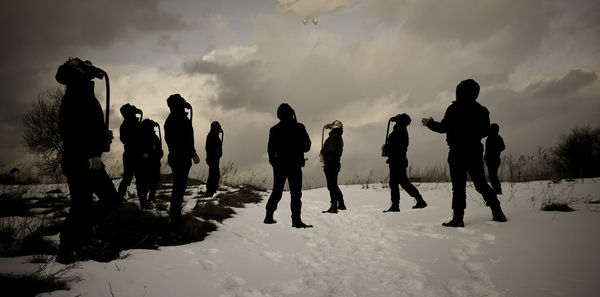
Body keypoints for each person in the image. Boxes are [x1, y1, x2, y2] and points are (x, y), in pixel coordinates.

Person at [55, 57, 119, 263]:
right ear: (76, 70)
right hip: (81, 160)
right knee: (93, 203)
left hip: (83, 158)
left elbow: (86, 127)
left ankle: (78, 237)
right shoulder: (76, 92)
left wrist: (101, 138)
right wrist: (91, 153)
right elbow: (70, 129)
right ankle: (67, 246)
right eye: (82, 64)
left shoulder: (83, 92)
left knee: (86, 205)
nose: (88, 66)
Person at [422, 79, 507, 227]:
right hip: (474, 151)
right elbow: (485, 131)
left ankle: (457, 219)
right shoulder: (482, 110)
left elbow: (443, 128)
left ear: (459, 92)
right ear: (476, 93)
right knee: (481, 184)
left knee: (458, 187)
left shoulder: (453, 109)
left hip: (457, 152)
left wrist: (429, 123)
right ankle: (498, 213)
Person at [264, 103, 312, 228]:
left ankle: (269, 216)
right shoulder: (299, 127)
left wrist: (274, 163)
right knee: (295, 194)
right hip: (294, 165)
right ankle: (296, 221)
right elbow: (307, 146)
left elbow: (270, 150)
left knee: (277, 191)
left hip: (280, 166)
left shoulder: (274, 129)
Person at [164, 94, 200, 223]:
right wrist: (193, 153)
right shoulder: (176, 119)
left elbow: (187, 139)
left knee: (180, 186)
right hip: (180, 156)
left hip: (179, 156)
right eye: (181, 102)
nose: (184, 103)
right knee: (179, 186)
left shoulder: (178, 118)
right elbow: (185, 140)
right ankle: (175, 216)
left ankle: (175, 213)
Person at [384, 114, 427, 212]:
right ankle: (417, 201)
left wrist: (388, 148)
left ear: (401, 121)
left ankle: (399, 205)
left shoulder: (399, 131)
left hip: (397, 161)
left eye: (399, 118)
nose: (396, 118)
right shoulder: (400, 130)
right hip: (398, 160)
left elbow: (396, 147)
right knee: (399, 183)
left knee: (400, 183)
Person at [116, 104, 143, 201]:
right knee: (132, 179)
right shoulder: (129, 123)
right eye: (132, 110)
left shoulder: (130, 123)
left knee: (135, 179)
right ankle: (118, 200)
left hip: (131, 154)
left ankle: (118, 200)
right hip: (132, 154)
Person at [320, 120, 346, 213]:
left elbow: (330, 149)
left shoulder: (334, 137)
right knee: (334, 185)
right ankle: (341, 204)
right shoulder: (337, 136)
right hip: (334, 163)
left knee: (331, 186)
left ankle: (334, 206)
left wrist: (322, 151)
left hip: (331, 163)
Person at [137, 119, 164, 208]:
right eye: (151, 126)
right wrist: (148, 151)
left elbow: (158, 148)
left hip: (155, 162)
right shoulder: (142, 136)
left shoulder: (154, 137)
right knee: (144, 183)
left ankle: (151, 197)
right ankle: (143, 202)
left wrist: (158, 153)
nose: (153, 127)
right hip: (146, 164)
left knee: (154, 181)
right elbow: (141, 148)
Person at [485, 123, 505, 195]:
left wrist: (495, 150)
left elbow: (502, 147)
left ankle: (497, 191)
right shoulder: (493, 138)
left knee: (492, 176)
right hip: (492, 159)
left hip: (494, 159)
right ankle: (497, 190)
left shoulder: (494, 138)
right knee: (492, 176)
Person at [205, 121, 223, 197]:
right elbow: (209, 148)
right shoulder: (212, 136)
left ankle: (212, 190)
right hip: (212, 158)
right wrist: (216, 152)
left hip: (214, 158)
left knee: (215, 174)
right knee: (213, 174)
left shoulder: (215, 136)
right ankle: (210, 191)